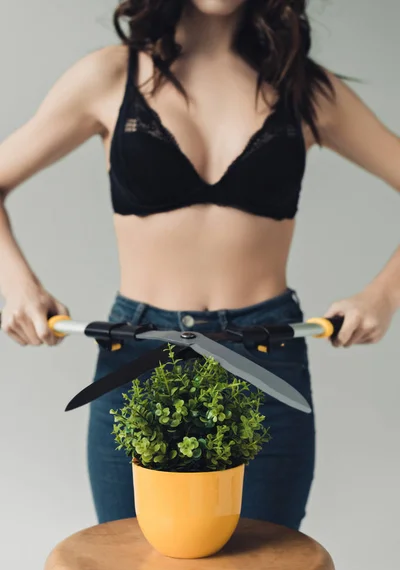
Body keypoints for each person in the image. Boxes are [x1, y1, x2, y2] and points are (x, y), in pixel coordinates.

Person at [0, 0, 399, 530]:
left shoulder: (305, 88)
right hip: (138, 357)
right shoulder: (109, 77)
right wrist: (18, 286)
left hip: (264, 361)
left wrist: (383, 295)